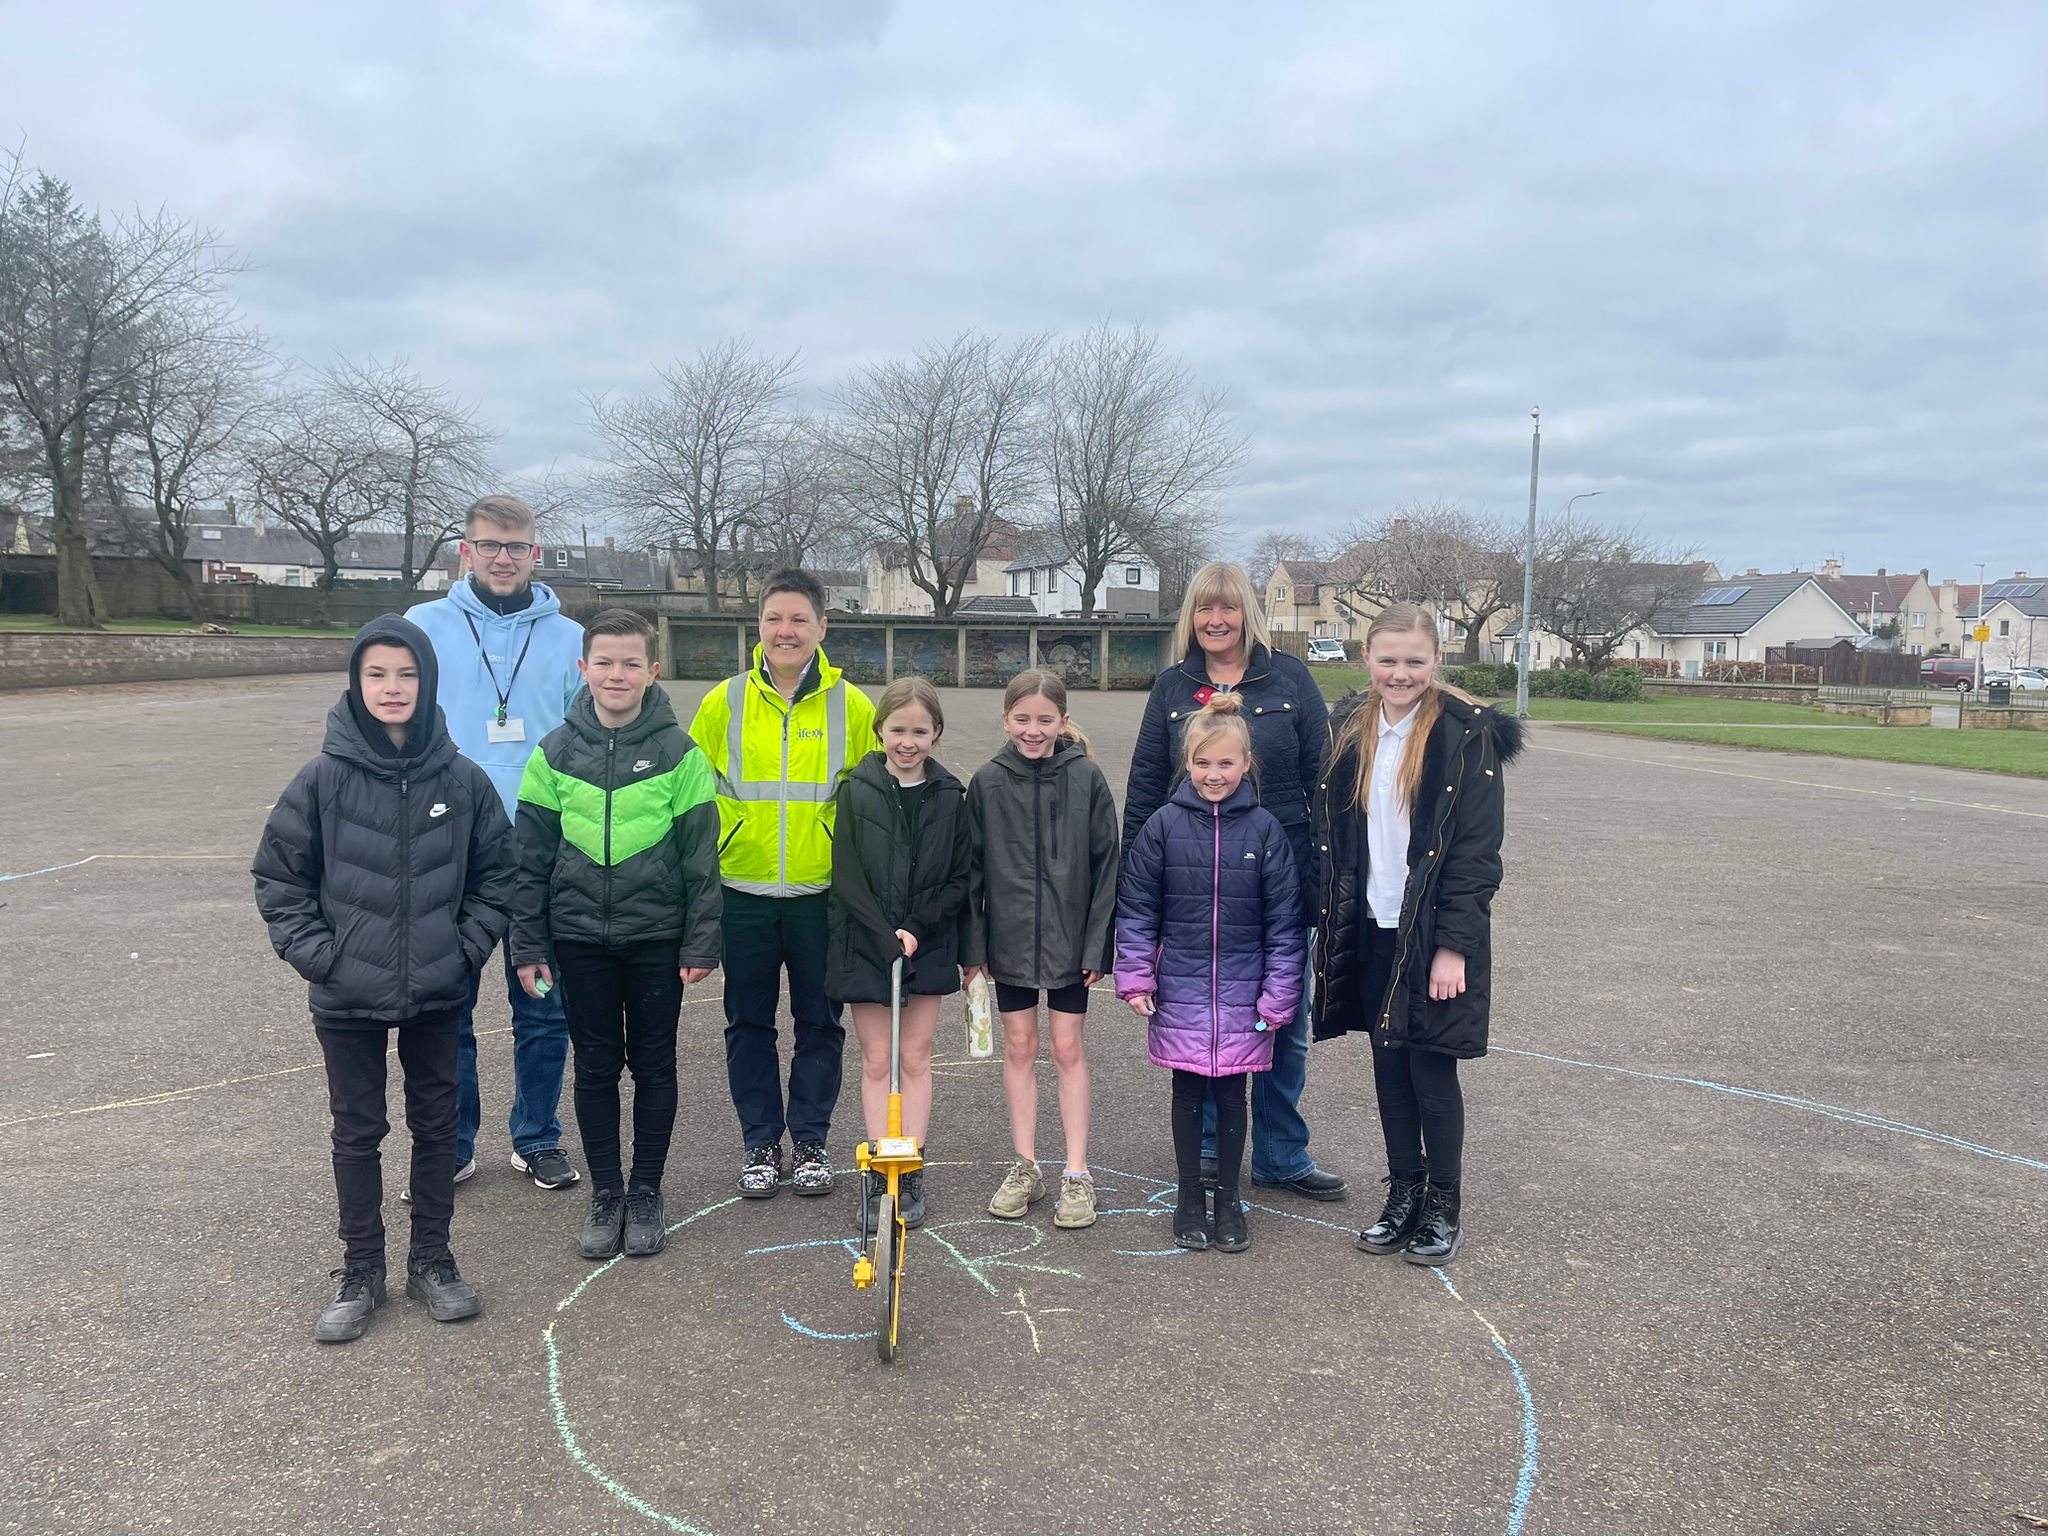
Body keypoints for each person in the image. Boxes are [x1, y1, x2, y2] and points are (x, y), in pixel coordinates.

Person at [252, 616, 512, 1343]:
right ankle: (361, 1269)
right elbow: (279, 879)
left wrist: (463, 949)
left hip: (437, 989)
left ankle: (432, 1259)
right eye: (377, 675)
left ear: (427, 681)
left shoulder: (462, 781)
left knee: (437, 1126)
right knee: (357, 1132)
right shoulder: (321, 779)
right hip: (346, 996)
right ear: (357, 683)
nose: (392, 688)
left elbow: (499, 875)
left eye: (405, 674)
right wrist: (321, 957)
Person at [1123, 561, 1344, 1201]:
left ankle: (1281, 1153)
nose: (1216, 621)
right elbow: (1144, 788)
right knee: (1206, 1021)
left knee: (1281, 1021)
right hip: (1194, 883)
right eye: (1203, 609)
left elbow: (1321, 780)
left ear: (1250, 612)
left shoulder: (1290, 679)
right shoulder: (1172, 687)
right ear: (1190, 617)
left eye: (1228, 609)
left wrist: (1326, 878)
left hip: (1279, 883)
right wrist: (1133, 885)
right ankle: (1216, 1152)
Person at [1310, 602, 1523, 1266]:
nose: (1400, 674)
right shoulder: (1350, 727)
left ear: (1436, 661)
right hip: (1370, 924)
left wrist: (1453, 946)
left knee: (1431, 1069)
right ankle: (1403, 1192)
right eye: (1388, 660)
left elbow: (1476, 855)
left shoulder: (1465, 737)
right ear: (1366, 658)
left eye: (1414, 661)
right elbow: (1334, 837)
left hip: (1431, 934)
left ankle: (1443, 1208)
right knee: (1387, 1066)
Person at [512, 610, 723, 1260]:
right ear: (584, 669)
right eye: (604, 662)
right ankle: (606, 1192)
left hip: (656, 938)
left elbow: (701, 859)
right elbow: (529, 861)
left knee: (654, 1065)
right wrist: (527, 944)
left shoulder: (680, 755)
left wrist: (700, 941)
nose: (617, 674)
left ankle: (647, 1191)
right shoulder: (552, 753)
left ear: (653, 671)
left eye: (631, 663)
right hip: (578, 940)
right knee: (597, 1067)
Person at [406, 495, 585, 1193]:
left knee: (541, 1003)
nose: (503, 558)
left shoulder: (571, 639)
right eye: (490, 545)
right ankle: (452, 1142)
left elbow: (585, 743)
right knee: (448, 1007)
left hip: (542, 852)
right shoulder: (423, 628)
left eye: (516, 547)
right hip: (451, 848)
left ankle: (536, 1137)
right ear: (466, 551)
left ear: (536, 554)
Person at [689, 569, 877, 1199]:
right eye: (775, 619)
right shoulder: (724, 701)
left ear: (822, 628)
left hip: (820, 896)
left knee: (820, 1023)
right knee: (747, 1022)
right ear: (759, 628)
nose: (786, 631)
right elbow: (692, 798)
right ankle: (761, 1142)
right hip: (740, 891)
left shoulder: (853, 706)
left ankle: (813, 1139)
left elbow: (869, 801)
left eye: (799, 620)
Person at [1116, 694, 1304, 1253]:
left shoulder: (1267, 831)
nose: (1213, 774)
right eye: (1202, 763)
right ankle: (1189, 1198)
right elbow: (1138, 908)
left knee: (1233, 1096)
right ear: (1187, 765)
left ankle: (1228, 1199)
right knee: (1187, 1090)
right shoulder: (1162, 827)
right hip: (1183, 987)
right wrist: (1136, 976)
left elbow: (1285, 922)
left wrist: (1279, 993)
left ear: (1246, 764)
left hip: (1246, 995)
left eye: (1226, 763)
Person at [962, 670, 1119, 1230]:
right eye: (1022, 719)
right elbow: (971, 874)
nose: (1033, 730)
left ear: (1064, 721)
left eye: (1044, 720)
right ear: (1006, 720)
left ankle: (1076, 1173)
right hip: (1008, 941)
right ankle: (1025, 1165)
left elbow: (1107, 868)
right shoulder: (986, 782)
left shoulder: (1087, 779)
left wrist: (1099, 944)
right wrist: (974, 950)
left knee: (1067, 1047)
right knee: (1020, 1045)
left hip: (1071, 942)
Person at [827, 677, 971, 1232]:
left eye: (919, 731)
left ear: (935, 734)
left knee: (914, 1058)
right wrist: (883, 933)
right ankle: (877, 1163)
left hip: (927, 943)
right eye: (897, 730)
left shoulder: (951, 796)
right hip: (865, 943)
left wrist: (915, 927)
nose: (907, 741)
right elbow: (847, 875)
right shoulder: (856, 789)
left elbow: (959, 878)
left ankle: (907, 1165)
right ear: (879, 731)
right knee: (877, 1059)